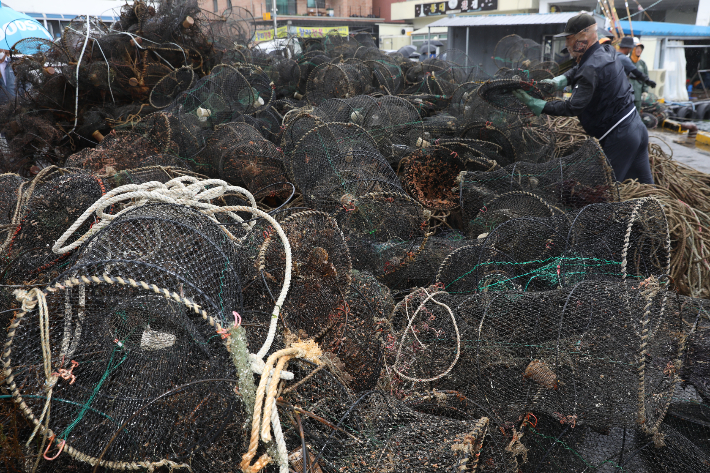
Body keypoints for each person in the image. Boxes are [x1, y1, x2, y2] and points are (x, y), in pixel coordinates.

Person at [513, 13, 654, 184]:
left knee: (605, 192)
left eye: (569, 39)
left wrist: (538, 105)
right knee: (647, 187)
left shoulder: (590, 69)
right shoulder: (607, 51)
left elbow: (573, 107)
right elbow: (580, 68)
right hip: (637, 127)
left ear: (583, 37)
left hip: (620, 137)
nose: (567, 44)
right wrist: (560, 80)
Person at [606, 36, 656, 101]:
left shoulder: (612, 55)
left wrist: (635, 78)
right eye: (630, 48)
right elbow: (637, 72)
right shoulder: (624, 58)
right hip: (619, 90)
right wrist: (648, 81)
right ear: (627, 48)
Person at [628, 38, 650, 110]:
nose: (639, 50)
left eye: (640, 48)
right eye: (637, 48)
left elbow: (646, 77)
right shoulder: (626, 61)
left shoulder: (642, 63)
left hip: (638, 94)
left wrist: (645, 90)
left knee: (637, 112)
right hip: (627, 94)